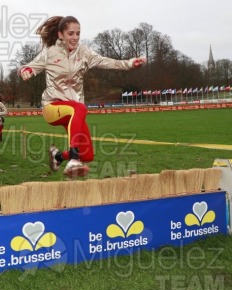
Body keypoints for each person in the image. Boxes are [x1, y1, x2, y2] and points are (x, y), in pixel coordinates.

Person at [18, 16, 146, 178]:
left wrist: (129, 63)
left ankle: (58, 156)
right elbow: (29, 67)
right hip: (52, 107)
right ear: (60, 35)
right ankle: (73, 158)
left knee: (88, 155)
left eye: (78, 33)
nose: (75, 38)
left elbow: (105, 62)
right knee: (79, 109)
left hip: (73, 111)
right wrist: (25, 71)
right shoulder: (50, 52)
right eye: (71, 33)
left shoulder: (84, 52)